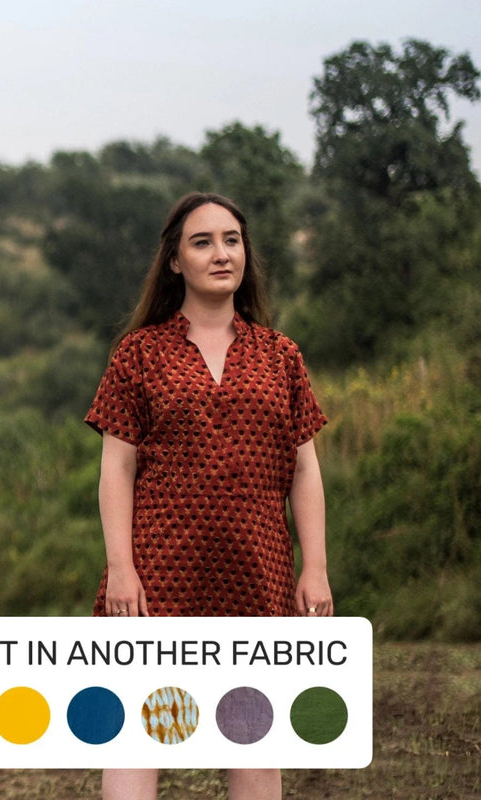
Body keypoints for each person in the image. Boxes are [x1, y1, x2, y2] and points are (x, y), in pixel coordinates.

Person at [84, 192, 333, 800]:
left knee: (252, 735)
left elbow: (305, 470)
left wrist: (316, 568)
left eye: (232, 239)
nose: (221, 253)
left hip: (259, 574)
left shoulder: (282, 357)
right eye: (202, 242)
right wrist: (121, 568)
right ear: (174, 261)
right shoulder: (140, 353)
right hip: (158, 576)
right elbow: (116, 467)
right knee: (142, 729)